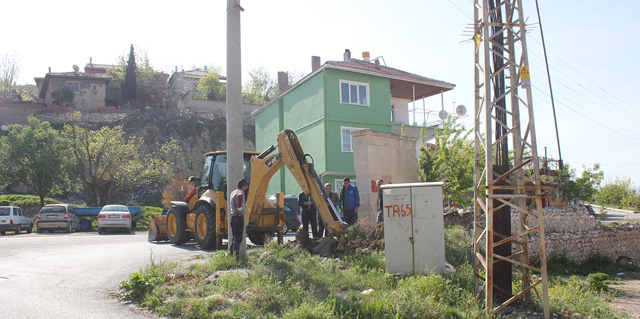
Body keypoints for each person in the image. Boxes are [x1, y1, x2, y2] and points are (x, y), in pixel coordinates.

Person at [228, 179, 248, 256]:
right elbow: (239, 196)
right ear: (243, 186)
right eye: (245, 186)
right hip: (238, 217)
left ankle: (230, 254)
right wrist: (239, 206)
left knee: (234, 237)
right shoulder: (240, 192)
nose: (245, 188)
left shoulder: (233, 192)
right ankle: (236, 257)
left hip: (232, 217)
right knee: (238, 238)